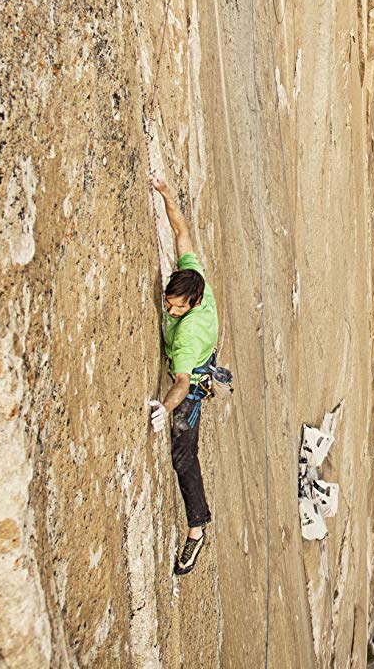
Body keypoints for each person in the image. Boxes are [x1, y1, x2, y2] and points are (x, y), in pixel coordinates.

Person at [145, 176, 219, 574]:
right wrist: (168, 194)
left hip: (193, 373)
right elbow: (181, 232)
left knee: (182, 454)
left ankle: (196, 529)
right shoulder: (192, 275)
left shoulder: (187, 334)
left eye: (176, 308)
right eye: (166, 305)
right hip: (200, 359)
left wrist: (163, 409)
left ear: (192, 304)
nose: (169, 311)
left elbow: (181, 384)